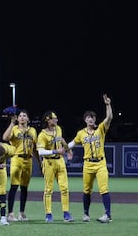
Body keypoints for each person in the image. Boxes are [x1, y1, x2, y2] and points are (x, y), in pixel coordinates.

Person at [67, 93, 114, 223]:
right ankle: (86, 214)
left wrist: (108, 105)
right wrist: (66, 149)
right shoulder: (81, 133)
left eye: (92, 117)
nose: (91, 119)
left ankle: (108, 215)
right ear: (85, 120)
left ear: (95, 119)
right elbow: (72, 143)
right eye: (88, 117)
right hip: (87, 164)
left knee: (104, 188)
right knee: (87, 190)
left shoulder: (100, 129)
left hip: (100, 163)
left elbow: (109, 118)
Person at [2, 108, 38, 222]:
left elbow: (35, 148)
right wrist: (12, 123)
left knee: (24, 188)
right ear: (17, 118)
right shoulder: (14, 128)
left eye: (24, 115)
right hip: (16, 158)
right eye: (20, 116)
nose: (22, 117)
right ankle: (11, 213)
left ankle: (22, 212)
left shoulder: (32, 131)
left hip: (28, 160)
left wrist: (40, 162)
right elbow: (5, 138)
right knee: (14, 187)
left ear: (28, 118)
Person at [36, 111, 72, 223]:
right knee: (48, 189)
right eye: (54, 118)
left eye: (56, 118)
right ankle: (48, 214)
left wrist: (68, 149)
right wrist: (56, 150)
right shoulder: (42, 135)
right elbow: (40, 152)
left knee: (64, 188)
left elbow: (61, 140)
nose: (56, 120)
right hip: (49, 162)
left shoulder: (58, 129)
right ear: (48, 120)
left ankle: (66, 213)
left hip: (60, 161)